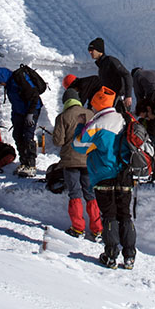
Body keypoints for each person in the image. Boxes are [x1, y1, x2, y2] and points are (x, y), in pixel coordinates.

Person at [73, 86, 137, 269]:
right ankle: (130, 256)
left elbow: (78, 144)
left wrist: (80, 125)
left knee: (109, 216)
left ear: (97, 105)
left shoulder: (98, 123)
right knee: (125, 216)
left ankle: (110, 256)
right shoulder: (125, 118)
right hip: (125, 174)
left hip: (104, 175)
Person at [52, 89, 101, 240]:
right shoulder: (91, 114)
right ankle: (97, 229)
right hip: (89, 161)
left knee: (75, 193)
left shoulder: (62, 117)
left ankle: (78, 228)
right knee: (91, 194)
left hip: (71, 161)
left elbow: (58, 141)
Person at [0, 66, 44, 177]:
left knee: (28, 136)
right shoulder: (10, 84)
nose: (0, 85)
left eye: (0, 82)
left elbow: (34, 97)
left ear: (3, 78)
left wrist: (30, 114)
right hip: (19, 112)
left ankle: (31, 165)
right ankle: (24, 162)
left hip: (31, 111)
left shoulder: (19, 80)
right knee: (17, 136)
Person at [87, 37, 134, 112]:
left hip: (119, 99)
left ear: (99, 50)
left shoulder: (110, 61)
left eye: (92, 50)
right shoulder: (101, 65)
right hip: (109, 100)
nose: (90, 52)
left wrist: (128, 96)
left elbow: (127, 75)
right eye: (89, 50)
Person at [130, 67, 155, 141]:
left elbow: (139, 98)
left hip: (154, 94)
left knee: (152, 119)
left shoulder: (137, 76)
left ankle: (151, 140)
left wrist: (138, 112)